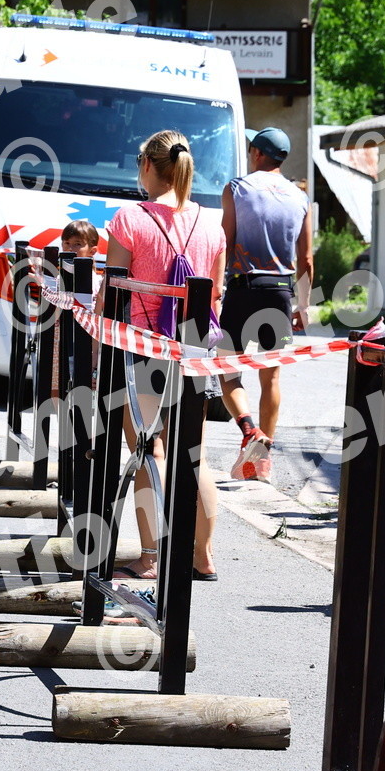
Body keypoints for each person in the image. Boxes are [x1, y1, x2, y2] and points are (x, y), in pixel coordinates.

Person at [98, 130, 226, 581]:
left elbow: (111, 295)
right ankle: (202, 556)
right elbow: (216, 295)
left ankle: (150, 557)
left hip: (143, 349)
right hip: (195, 351)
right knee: (194, 455)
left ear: (148, 165)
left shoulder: (130, 219)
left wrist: (96, 344)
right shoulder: (211, 224)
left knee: (147, 450)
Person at [217, 127, 312, 482]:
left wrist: (215, 289)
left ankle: (248, 429)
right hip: (280, 293)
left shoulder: (236, 188)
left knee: (227, 368)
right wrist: (304, 306)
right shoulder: (300, 197)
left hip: (242, 288)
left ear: (257, 153)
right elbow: (307, 259)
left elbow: (225, 243)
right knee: (271, 376)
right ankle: (261, 461)